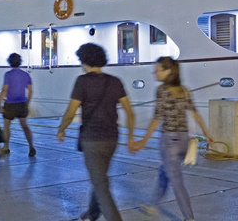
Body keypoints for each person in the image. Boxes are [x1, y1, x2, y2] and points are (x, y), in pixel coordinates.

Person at [57, 43, 135, 221]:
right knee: (99, 178)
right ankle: (92, 213)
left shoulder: (82, 81)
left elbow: (71, 112)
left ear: (85, 60)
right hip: (112, 139)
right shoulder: (115, 81)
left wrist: (61, 129)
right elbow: (130, 112)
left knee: (100, 184)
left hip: (92, 140)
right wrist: (130, 138)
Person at [130, 56, 213, 221]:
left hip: (169, 142)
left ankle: (189, 218)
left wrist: (142, 141)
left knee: (176, 180)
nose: (154, 72)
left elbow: (156, 118)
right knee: (165, 171)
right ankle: (153, 204)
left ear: (168, 71)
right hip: (184, 141)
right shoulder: (184, 90)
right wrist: (207, 134)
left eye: (158, 69)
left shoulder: (162, 90)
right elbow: (195, 113)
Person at [0, 53, 36, 157]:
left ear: (10, 62)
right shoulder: (26, 75)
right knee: (24, 126)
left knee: (7, 126)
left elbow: (5, 90)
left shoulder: (8, 75)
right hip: (22, 104)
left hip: (10, 104)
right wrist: (27, 103)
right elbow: (30, 91)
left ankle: (6, 147)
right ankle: (31, 146)